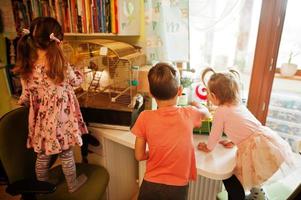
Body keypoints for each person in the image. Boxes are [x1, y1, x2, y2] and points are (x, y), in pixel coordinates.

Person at [197, 67, 296, 200]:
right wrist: (233, 140)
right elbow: (246, 128)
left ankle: (239, 197)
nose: (208, 96)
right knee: (256, 172)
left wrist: (208, 147)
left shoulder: (221, 111)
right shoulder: (238, 104)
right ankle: (257, 193)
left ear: (214, 96)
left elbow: (215, 134)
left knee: (232, 177)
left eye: (208, 93)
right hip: (263, 139)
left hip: (254, 147)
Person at [14, 17, 88, 193]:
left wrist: (30, 102)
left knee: (43, 155)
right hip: (63, 119)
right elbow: (75, 81)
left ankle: (43, 186)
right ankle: (73, 185)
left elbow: (25, 96)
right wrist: (81, 73)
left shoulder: (28, 66)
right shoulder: (59, 63)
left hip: (43, 120)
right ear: (57, 39)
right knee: (66, 153)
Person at [131, 62, 210, 200]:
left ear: (151, 93)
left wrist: (153, 152)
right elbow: (207, 114)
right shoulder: (189, 113)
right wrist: (198, 104)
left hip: (150, 184)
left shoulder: (144, 117)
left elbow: (139, 155)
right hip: (177, 187)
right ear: (179, 91)